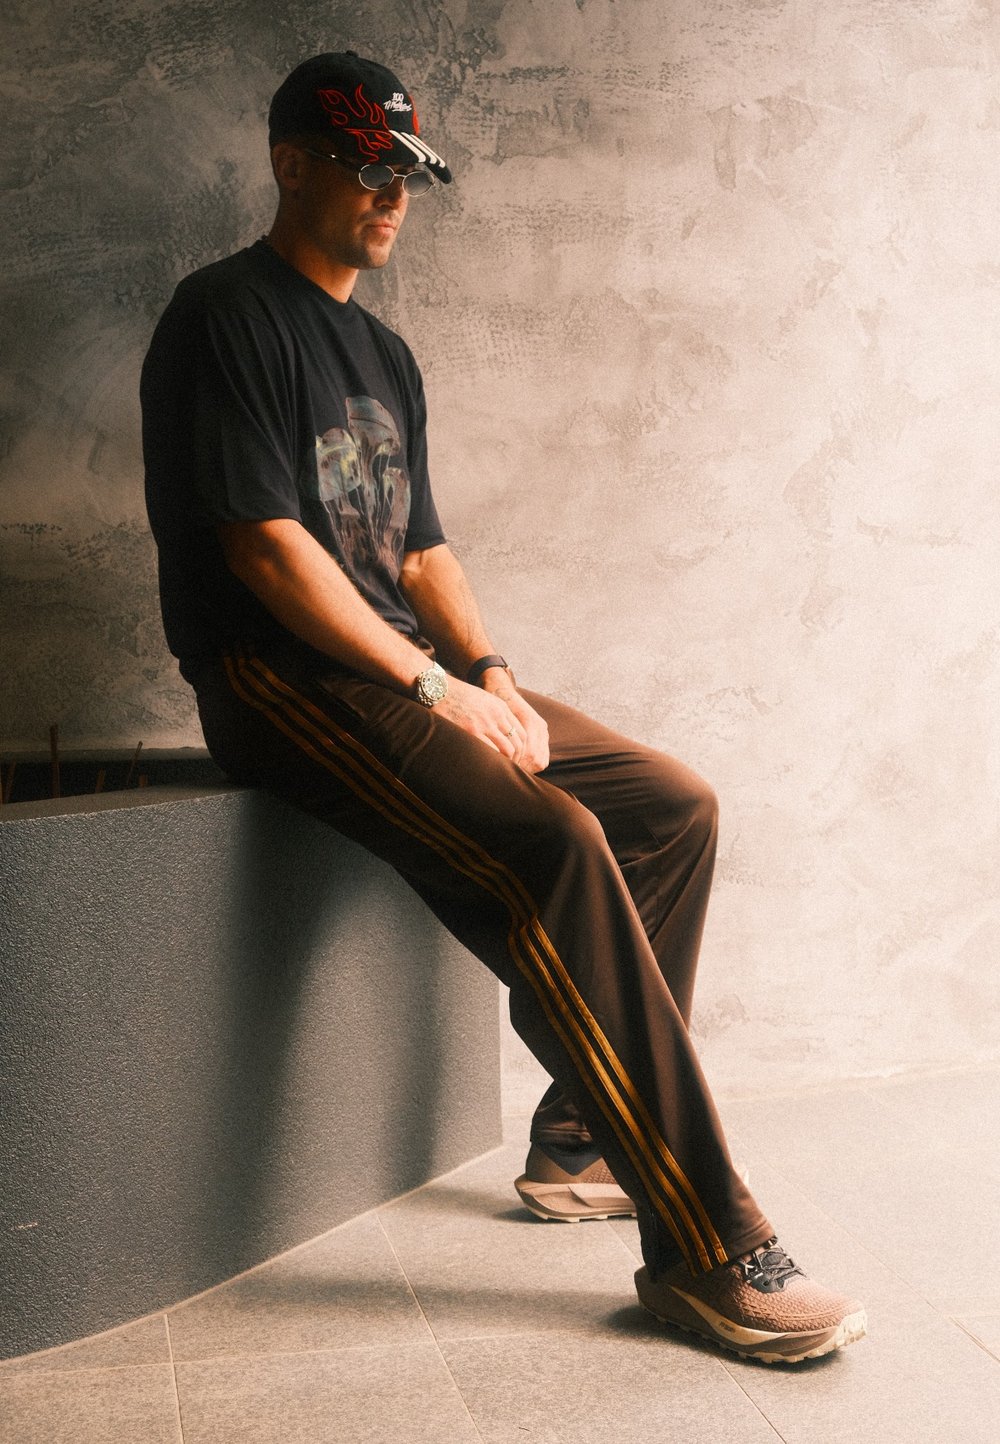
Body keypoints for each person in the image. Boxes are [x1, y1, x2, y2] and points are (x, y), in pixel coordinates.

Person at [141, 50, 866, 1364]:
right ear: (291, 159)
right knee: (561, 846)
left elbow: (419, 552)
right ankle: (710, 1245)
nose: (388, 193)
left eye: (403, 170)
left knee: (668, 807)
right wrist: (425, 682)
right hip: (281, 680)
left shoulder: (385, 353)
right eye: (363, 163)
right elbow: (267, 550)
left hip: (403, 672)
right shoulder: (224, 317)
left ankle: (588, 1141)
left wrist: (486, 674)